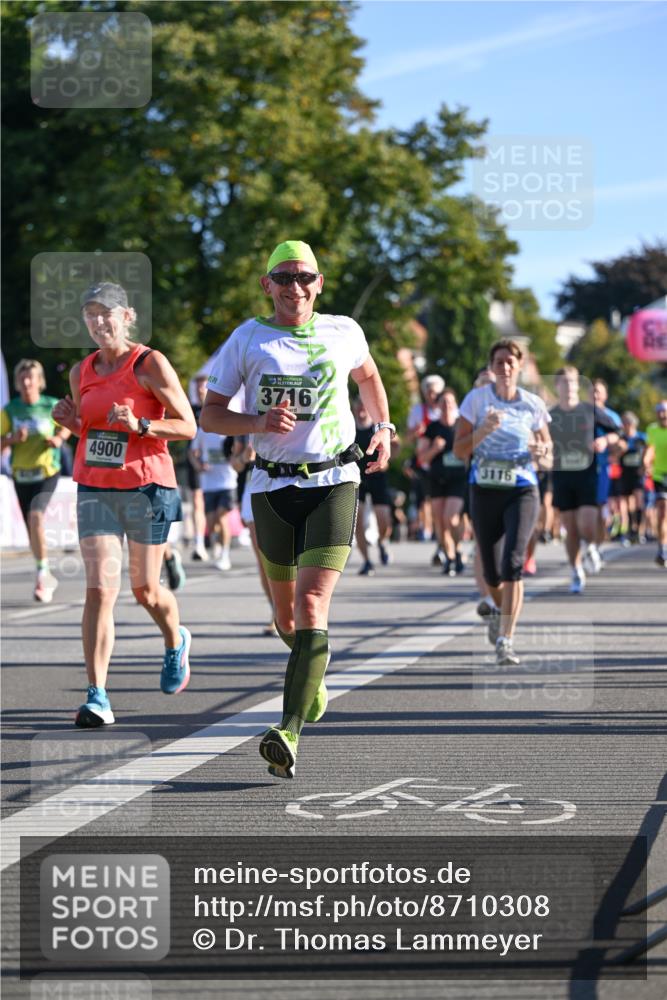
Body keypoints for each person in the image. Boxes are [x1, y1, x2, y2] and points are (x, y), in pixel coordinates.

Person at [200, 240, 393, 778]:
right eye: (283, 277)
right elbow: (212, 416)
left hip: (335, 479)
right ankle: (313, 668)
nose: (295, 287)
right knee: (285, 617)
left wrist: (384, 428)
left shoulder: (344, 331)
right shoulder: (247, 338)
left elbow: (370, 378)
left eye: (304, 277)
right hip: (271, 487)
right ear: (267, 285)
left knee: (311, 605)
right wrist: (258, 424)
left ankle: (287, 731)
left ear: (319, 283)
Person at [52, 282, 197, 727]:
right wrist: (71, 423)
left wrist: (143, 423)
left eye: (106, 313)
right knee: (99, 589)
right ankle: (97, 696)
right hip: (95, 486)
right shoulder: (82, 372)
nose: (98, 322)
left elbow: (187, 425)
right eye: (90, 315)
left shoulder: (149, 363)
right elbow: (94, 434)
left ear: (127, 316)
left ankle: (175, 639)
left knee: (145, 591)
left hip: (147, 487)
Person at [454, 340, 552, 665]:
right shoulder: (475, 400)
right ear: (492, 367)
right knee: (493, 572)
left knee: (513, 563)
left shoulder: (533, 404)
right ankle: (497, 610)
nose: (505, 367)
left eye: (511, 362)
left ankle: (506, 640)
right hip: (484, 489)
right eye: (499, 362)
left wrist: (542, 454)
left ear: (520, 366)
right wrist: (482, 431)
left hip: (522, 487)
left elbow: (549, 454)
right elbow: (459, 451)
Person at [1, 359, 71, 602]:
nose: (27, 382)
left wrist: (59, 439)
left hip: (47, 471)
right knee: (32, 528)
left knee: (35, 517)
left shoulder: (50, 405)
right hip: (21, 474)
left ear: (39, 381)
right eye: (22, 378)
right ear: (17, 383)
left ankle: (42, 575)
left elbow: (67, 426)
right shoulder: (10, 410)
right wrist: (10, 440)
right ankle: (44, 569)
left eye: (31, 377)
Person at [550, 367, 620, 593]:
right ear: (557, 386)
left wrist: (605, 441)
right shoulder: (551, 415)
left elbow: (615, 433)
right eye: (564, 382)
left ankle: (590, 546)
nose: (569, 386)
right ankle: (576, 571)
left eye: (573, 382)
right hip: (562, 476)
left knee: (588, 524)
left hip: (587, 475)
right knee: (570, 528)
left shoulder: (591, 410)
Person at [418, 388, 467, 576]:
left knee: (450, 517)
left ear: (455, 405)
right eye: (443, 402)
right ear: (438, 406)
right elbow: (421, 458)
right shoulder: (432, 428)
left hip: (458, 479)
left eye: (450, 402)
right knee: (440, 520)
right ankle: (450, 557)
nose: (447, 406)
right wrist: (434, 449)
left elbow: (471, 450)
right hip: (437, 479)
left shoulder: (462, 426)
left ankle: (458, 548)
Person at [353, 396, 394, 575]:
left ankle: (382, 542)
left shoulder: (377, 428)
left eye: (365, 405)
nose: (362, 409)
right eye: (359, 406)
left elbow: (394, 446)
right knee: (358, 520)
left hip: (377, 476)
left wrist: (391, 448)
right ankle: (367, 560)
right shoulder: (349, 427)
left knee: (383, 519)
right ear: (354, 408)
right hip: (356, 477)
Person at [190, 424, 239, 570]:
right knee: (211, 522)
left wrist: (235, 458)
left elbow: (240, 448)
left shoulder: (232, 428)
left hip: (228, 482)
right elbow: (192, 452)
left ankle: (225, 556)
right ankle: (217, 542)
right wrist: (198, 466)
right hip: (209, 483)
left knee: (221, 516)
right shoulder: (203, 430)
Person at [406, 374, 444, 549]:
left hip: (442, 461)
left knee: (438, 499)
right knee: (423, 499)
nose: (432, 396)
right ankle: (427, 529)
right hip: (422, 460)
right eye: (429, 392)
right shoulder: (417, 411)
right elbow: (407, 438)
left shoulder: (447, 409)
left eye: (435, 392)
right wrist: (415, 432)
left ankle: (438, 530)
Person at [614, 411, 647, 545]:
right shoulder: (621, 438)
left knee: (639, 501)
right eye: (624, 423)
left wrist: (645, 466)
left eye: (628, 423)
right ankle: (627, 531)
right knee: (626, 504)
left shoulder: (641, 437)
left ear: (633, 424)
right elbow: (614, 457)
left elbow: (649, 452)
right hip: (625, 473)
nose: (626, 425)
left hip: (638, 474)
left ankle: (638, 530)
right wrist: (620, 450)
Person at [187, 372, 209, 561]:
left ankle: (216, 539)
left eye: (203, 386)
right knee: (197, 499)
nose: (200, 390)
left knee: (213, 510)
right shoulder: (190, 410)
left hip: (216, 467)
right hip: (195, 461)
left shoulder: (217, 410)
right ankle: (199, 543)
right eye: (197, 387)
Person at [644, 401, 667, 567]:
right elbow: (650, 449)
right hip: (660, 475)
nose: (663, 415)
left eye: (665, 411)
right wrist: (646, 462)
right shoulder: (652, 429)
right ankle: (663, 547)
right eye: (660, 411)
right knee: (663, 512)